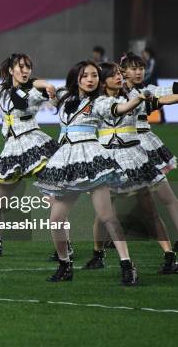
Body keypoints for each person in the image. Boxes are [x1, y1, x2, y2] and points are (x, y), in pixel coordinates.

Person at [35, 60, 146, 285]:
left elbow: (119, 108)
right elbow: (36, 85)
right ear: (76, 77)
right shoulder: (66, 97)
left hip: (91, 160)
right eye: (85, 75)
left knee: (107, 216)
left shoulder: (100, 101)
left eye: (94, 75)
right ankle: (65, 265)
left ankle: (127, 264)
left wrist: (136, 100)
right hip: (67, 162)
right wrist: (46, 86)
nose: (90, 79)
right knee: (56, 219)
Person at [82, 62, 178, 274]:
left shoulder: (132, 97)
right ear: (103, 79)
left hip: (133, 158)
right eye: (113, 74)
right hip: (106, 161)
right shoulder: (95, 102)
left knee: (149, 210)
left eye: (119, 73)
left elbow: (162, 99)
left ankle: (170, 256)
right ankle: (98, 253)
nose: (119, 77)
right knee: (103, 214)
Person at [0, 54, 58, 257]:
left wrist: (47, 86)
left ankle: (64, 249)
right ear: (11, 70)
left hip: (34, 145)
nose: (25, 70)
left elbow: (39, 85)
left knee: (54, 203)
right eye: (20, 67)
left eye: (28, 67)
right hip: (12, 150)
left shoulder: (33, 90)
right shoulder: (3, 90)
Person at [121, 52, 178, 252]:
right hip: (122, 145)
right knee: (122, 195)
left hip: (143, 143)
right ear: (123, 71)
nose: (138, 72)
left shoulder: (149, 89)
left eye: (141, 68)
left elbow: (172, 93)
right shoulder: (115, 92)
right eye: (134, 68)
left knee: (164, 197)